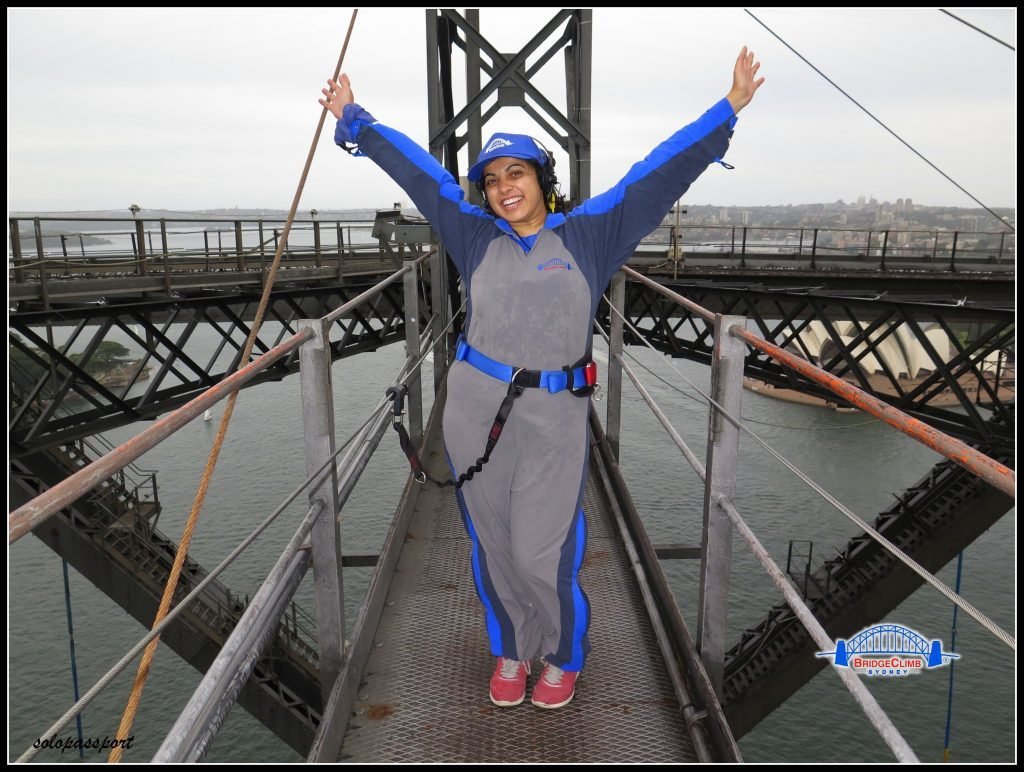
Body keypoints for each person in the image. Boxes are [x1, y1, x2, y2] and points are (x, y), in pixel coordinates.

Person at [319, 47, 764, 710]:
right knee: (493, 546)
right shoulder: (474, 236)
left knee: (542, 552)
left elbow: (654, 177)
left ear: (542, 178)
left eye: (516, 172)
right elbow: (422, 179)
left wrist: (726, 110)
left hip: (554, 417)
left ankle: (561, 654)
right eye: (493, 178)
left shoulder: (589, 237)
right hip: (473, 413)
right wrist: (355, 119)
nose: (503, 186)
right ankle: (510, 649)